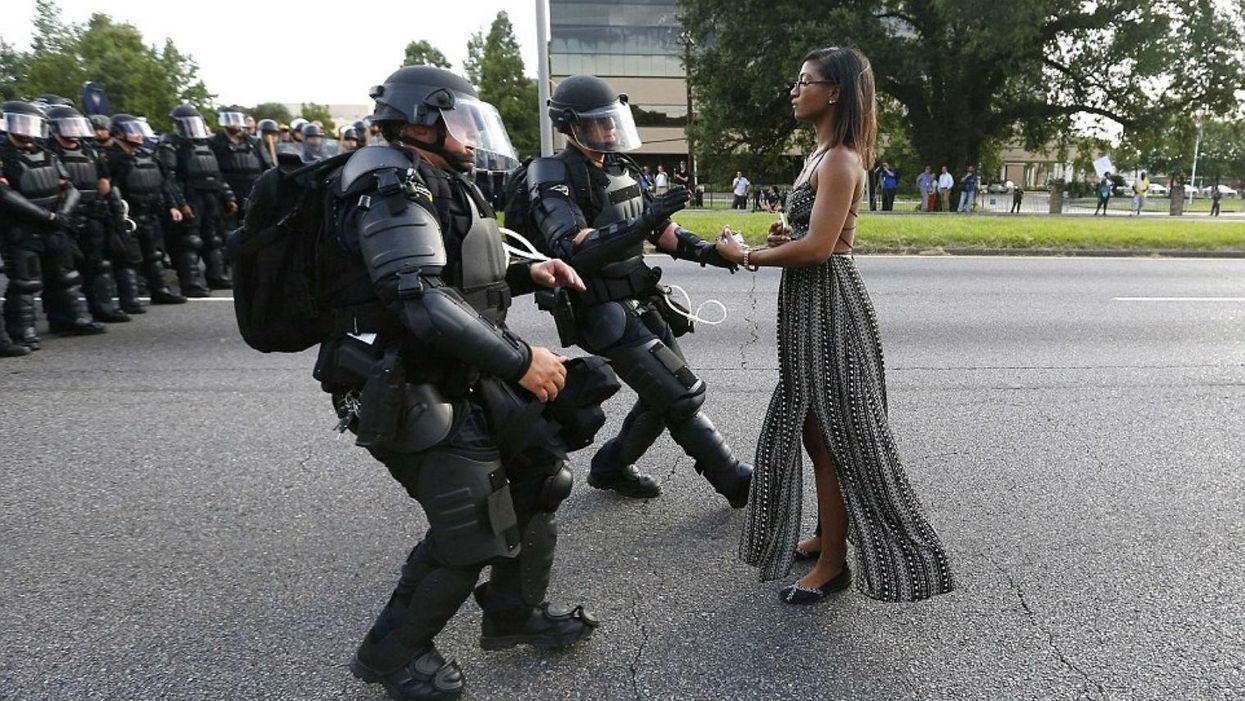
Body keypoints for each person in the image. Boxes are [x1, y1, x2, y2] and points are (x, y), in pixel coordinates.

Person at [317, 65, 599, 701]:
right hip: (408, 381)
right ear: (422, 120)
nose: (472, 137)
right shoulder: (389, 181)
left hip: (458, 370)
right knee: (471, 525)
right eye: (462, 122)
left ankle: (511, 612)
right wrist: (522, 358)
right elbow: (417, 297)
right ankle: (393, 654)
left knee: (539, 476)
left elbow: (457, 278)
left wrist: (532, 275)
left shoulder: (432, 178)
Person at [715, 47, 954, 605]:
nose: (795, 90)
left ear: (835, 92)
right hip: (808, 304)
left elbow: (822, 248)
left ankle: (834, 564)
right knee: (811, 427)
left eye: (805, 82)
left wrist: (745, 254)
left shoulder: (842, 159)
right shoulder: (819, 155)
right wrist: (782, 240)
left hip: (829, 307)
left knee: (836, 437)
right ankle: (828, 533)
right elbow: (809, 238)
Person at [523, 74, 753, 505]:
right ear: (570, 126)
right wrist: (645, 222)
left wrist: (713, 253)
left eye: (613, 121)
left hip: (640, 299)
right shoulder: (551, 172)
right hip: (598, 308)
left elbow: (662, 230)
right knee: (681, 394)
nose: (610, 130)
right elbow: (571, 247)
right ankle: (735, 481)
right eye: (599, 123)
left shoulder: (619, 168)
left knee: (662, 396)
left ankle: (610, 467)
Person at [1, 100, 107, 354]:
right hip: (21, 228)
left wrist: (62, 214)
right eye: (21, 123)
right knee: (26, 282)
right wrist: (46, 217)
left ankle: (69, 320)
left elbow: (69, 187)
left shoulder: (48, 153)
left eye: (31, 124)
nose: (27, 130)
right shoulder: (4, 156)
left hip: (55, 224)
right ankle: (22, 332)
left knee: (65, 276)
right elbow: (4, 194)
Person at [44, 103, 131, 323]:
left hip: (92, 215)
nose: (73, 130)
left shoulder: (91, 151)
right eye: (68, 126)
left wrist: (111, 208)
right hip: (63, 218)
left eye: (75, 125)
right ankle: (63, 318)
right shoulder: (48, 152)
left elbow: (104, 181)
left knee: (98, 264)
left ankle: (102, 308)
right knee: (64, 270)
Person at [105, 114, 189, 309]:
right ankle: (130, 300)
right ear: (119, 133)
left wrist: (172, 206)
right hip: (128, 216)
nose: (139, 135)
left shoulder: (148, 155)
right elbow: (108, 189)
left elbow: (164, 184)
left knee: (155, 255)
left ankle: (160, 291)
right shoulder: (111, 158)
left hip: (151, 213)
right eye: (133, 131)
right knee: (128, 259)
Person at [158, 103, 237, 294]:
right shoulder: (171, 144)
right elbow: (170, 178)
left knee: (214, 238)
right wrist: (181, 203)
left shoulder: (206, 144)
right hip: (190, 195)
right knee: (190, 240)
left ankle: (216, 276)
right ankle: (191, 282)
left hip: (211, 195)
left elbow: (217, 174)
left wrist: (228, 197)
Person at [208, 106, 265, 212]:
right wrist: (227, 196)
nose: (234, 123)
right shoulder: (214, 142)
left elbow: (267, 166)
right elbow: (213, 171)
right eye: (230, 120)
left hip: (253, 192)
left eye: (236, 119)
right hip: (227, 194)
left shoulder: (254, 142)